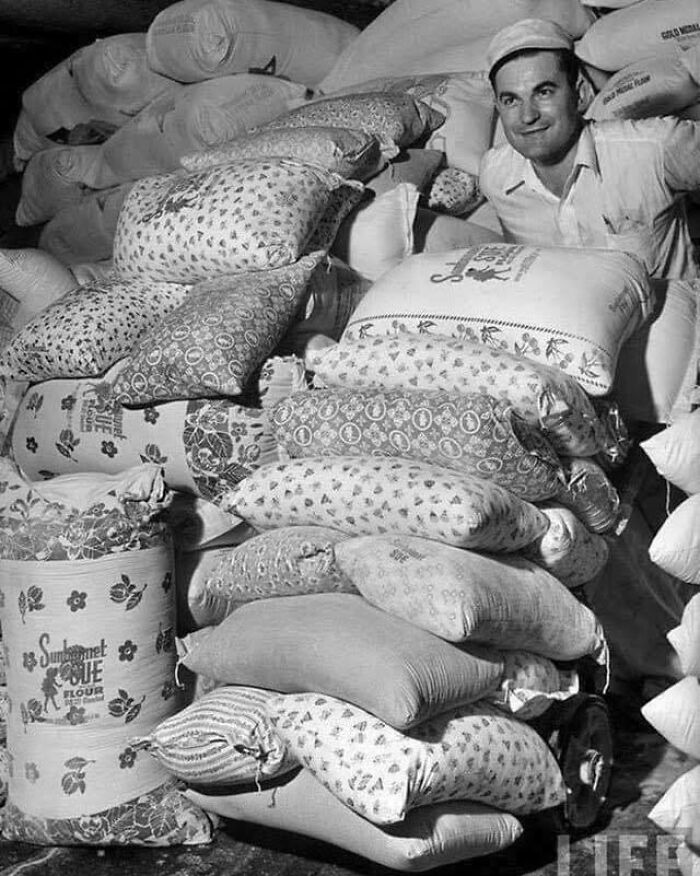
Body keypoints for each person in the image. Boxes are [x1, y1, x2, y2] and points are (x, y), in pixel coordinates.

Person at [479, 17, 700, 280]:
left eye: (544, 92)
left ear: (580, 94)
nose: (528, 116)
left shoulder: (653, 149)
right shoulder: (496, 176)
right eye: (511, 100)